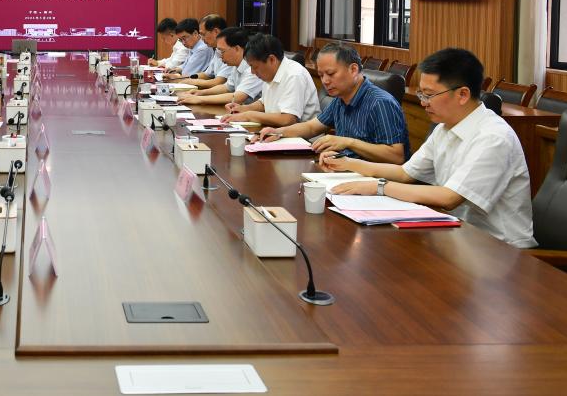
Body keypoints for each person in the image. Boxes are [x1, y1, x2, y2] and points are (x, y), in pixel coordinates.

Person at [327, 48, 536, 248]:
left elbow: (449, 198)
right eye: (421, 94)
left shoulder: (493, 137)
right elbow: (405, 173)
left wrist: (378, 187)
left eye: (429, 95)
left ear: (462, 94)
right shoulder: (445, 127)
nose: (423, 103)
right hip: (456, 234)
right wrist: (348, 163)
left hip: (499, 249)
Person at [255, 42, 409, 163]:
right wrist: (279, 132)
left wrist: (348, 142)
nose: (325, 81)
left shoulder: (380, 103)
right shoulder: (340, 99)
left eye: (330, 73)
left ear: (353, 70)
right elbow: (311, 127)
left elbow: (396, 156)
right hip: (343, 170)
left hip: (374, 182)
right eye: (321, 75)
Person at [219, 33, 319, 127]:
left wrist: (249, 115)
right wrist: (243, 109)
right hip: (277, 131)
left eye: (255, 67)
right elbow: (264, 103)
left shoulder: (294, 75)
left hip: (302, 137)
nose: (252, 72)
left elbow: (288, 119)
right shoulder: (271, 73)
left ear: (272, 59)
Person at [178, 27, 263, 106]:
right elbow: (226, 87)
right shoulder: (236, 66)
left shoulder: (253, 69)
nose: (220, 56)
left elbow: (238, 97)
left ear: (237, 48)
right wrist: (201, 93)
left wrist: (199, 99)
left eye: (222, 51)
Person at [166, 15, 229, 88]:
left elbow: (218, 82)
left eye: (203, 34)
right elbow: (207, 74)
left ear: (216, 32)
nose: (202, 38)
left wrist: (184, 80)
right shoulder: (217, 50)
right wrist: (181, 78)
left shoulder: (228, 50)